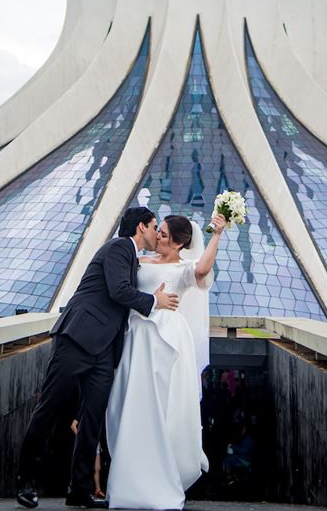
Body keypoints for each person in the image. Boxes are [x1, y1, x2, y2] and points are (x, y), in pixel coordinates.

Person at [16, 206, 179, 510]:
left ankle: (80, 491)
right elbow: (119, 291)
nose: (158, 233)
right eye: (154, 226)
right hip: (78, 339)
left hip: (105, 350)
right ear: (140, 227)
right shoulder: (118, 248)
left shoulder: (131, 257)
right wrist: (154, 301)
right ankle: (26, 482)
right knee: (49, 409)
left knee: (92, 421)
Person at [106, 212, 226, 510]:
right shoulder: (140, 262)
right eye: (156, 231)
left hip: (166, 339)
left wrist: (218, 235)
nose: (156, 235)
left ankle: (158, 472)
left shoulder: (184, 268)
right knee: (127, 402)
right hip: (136, 336)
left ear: (177, 241)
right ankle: (128, 475)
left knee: (161, 404)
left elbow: (202, 270)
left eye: (162, 233)